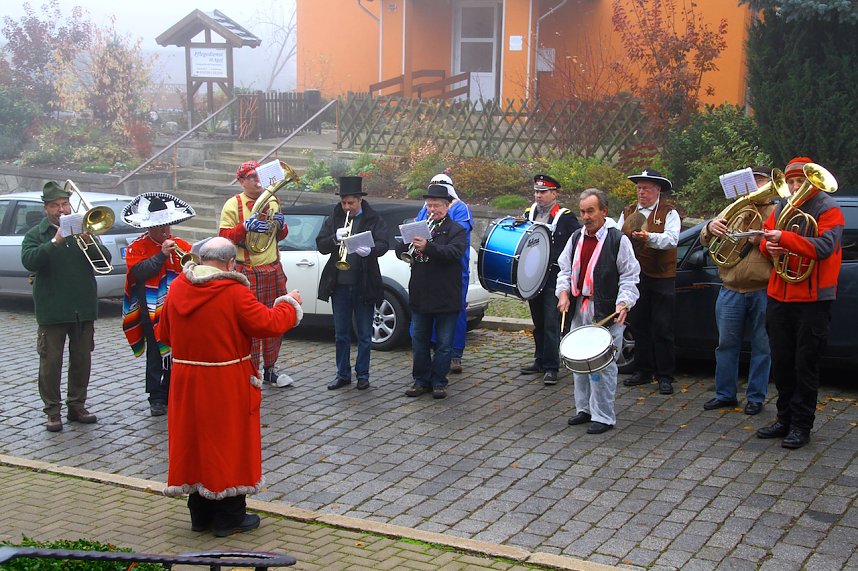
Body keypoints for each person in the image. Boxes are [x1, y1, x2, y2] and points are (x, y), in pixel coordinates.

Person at [158, 236, 303, 536]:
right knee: (229, 445)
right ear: (228, 263)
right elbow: (267, 323)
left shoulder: (177, 288)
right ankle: (228, 518)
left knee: (194, 443)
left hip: (186, 379)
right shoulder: (233, 292)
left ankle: (200, 515)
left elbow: (165, 333)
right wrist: (290, 304)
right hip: (225, 380)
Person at [756, 156, 844, 449]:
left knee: (805, 364)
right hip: (779, 296)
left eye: (799, 182)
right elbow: (764, 240)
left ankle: (801, 426)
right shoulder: (782, 207)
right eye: (791, 182)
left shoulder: (828, 210)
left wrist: (785, 238)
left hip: (812, 300)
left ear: (811, 181)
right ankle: (784, 419)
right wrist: (768, 245)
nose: (794, 187)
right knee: (781, 362)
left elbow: (824, 248)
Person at [21, 181, 110, 431]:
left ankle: (77, 405)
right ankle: (52, 411)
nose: (61, 209)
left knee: (82, 360)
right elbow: (30, 261)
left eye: (64, 204)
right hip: (53, 309)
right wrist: (55, 241)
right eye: (55, 206)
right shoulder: (35, 235)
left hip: (83, 307)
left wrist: (90, 241)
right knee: (51, 363)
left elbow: (105, 261)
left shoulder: (84, 232)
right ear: (46, 208)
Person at [556, 188, 640, 434]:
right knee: (579, 360)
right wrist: (563, 293)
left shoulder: (617, 240)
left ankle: (603, 416)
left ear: (604, 211)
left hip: (606, 309)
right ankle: (584, 409)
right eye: (583, 212)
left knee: (603, 366)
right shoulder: (575, 238)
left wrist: (625, 302)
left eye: (591, 211)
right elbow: (563, 269)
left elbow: (629, 275)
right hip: (579, 306)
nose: (586, 216)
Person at [699, 166, 776, 415]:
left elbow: (784, 248)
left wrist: (762, 241)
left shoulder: (777, 211)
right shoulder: (737, 208)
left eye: (762, 182)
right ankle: (725, 394)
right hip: (730, 288)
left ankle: (755, 397)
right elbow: (706, 238)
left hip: (763, 289)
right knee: (725, 345)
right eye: (753, 182)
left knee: (762, 347)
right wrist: (710, 228)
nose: (756, 186)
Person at [120, 192, 196, 417]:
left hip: (177, 308)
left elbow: (192, 271)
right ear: (150, 228)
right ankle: (155, 397)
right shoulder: (137, 247)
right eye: (160, 228)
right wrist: (162, 255)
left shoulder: (181, 244)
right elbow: (139, 272)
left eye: (167, 227)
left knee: (177, 351)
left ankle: (172, 391)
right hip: (150, 310)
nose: (165, 232)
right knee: (155, 354)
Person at [219, 160, 291, 386]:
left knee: (275, 319)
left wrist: (282, 225)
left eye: (259, 175)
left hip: (271, 268)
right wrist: (244, 228)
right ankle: (250, 369)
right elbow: (223, 237)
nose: (257, 180)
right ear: (241, 181)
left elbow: (279, 236)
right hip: (246, 269)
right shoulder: (233, 204)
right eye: (251, 177)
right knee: (248, 323)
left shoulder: (273, 200)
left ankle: (270, 368)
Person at [316, 176, 389, 391]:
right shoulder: (335, 217)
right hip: (339, 284)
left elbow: (384, 244)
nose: (347, 207)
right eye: (344, 203)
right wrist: (333, 239)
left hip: (364, 283)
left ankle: (363, 375)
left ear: (359, 201)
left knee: (365, 334)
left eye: (351, 203)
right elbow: (321, 244)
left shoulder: (374, 219)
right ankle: (342, 374)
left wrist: (371, 250)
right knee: (341, 333)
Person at [396, 184, 467, 399]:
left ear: (447, 206)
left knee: (444, 345)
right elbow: (402, 251)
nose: (432, 210)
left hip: (445, 295)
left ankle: (439, 381)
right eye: (429, 206)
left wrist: (428, 247)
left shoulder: (457, 230)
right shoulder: (420, 226)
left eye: (436, 206)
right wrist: (402, 244)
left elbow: (452, 254)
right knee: (419, 342)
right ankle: (421, 380)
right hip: (421, 293)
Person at [617, 168, 681, 395]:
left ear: (657, 190)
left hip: (662, 277)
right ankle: (642, 370)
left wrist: (648, 238)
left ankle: (665, 375)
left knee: (663, 328)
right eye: (639, 188)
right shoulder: (628, 212)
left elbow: (672, 240)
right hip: (636, 277)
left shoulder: (668, 212)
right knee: (639, 325)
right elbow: (616, 238)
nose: (641, 192)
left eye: (646, 188)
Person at [519, 174, 581, 385]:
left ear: (554, 194)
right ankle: (540, 359)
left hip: (554, 275)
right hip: (533, 274)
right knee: (538, 320)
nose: (539, 196)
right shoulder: (529, 213)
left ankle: (552, 366)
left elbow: (576, 245)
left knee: (551, 322)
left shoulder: (566, 217)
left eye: (543, 192)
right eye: (536, 192)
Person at [415, 172, 473, 374]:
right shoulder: (427, 209)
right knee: (425, 321)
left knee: (455, 313)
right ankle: (430, 358)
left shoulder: (459, 208)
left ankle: (454, 354)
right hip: (426, 273)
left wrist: (430, 244)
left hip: (453, 270)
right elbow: (416, 228)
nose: (432, 208)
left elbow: (458, 238)